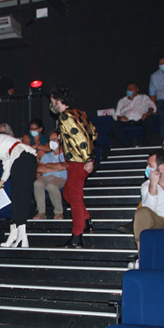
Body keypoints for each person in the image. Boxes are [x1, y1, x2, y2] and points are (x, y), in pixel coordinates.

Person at [50, 86, 97, 248]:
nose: (52, 105)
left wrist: (88, 159)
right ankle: (86, 219)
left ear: (58, 100)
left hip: (79, 161)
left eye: (52, 101)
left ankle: (77, 235)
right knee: (69, 193)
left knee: (75, 198)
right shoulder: (80, 113)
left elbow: (81, 138)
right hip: (79, 161)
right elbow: (93, 132)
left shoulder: (65, 116)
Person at [0, 131, 38, 248]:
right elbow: (7, 166)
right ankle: (18, 234)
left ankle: (19, 235)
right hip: (28, 159)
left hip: (23, 159)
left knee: (20, 197)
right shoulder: (7, 145)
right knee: (19, 197)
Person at [33, 131, 67, 220]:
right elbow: (39, 169)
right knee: (37, 183)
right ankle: (41, 212)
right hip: (46, 177)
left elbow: (64, 166)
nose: (52, 142)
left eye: (54, 139)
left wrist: (47, 165)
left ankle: (59, 212)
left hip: (60, 177)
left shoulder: (66, 155)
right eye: (50, 140)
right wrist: (56, 167)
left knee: (52, 185)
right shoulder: (46, 156)